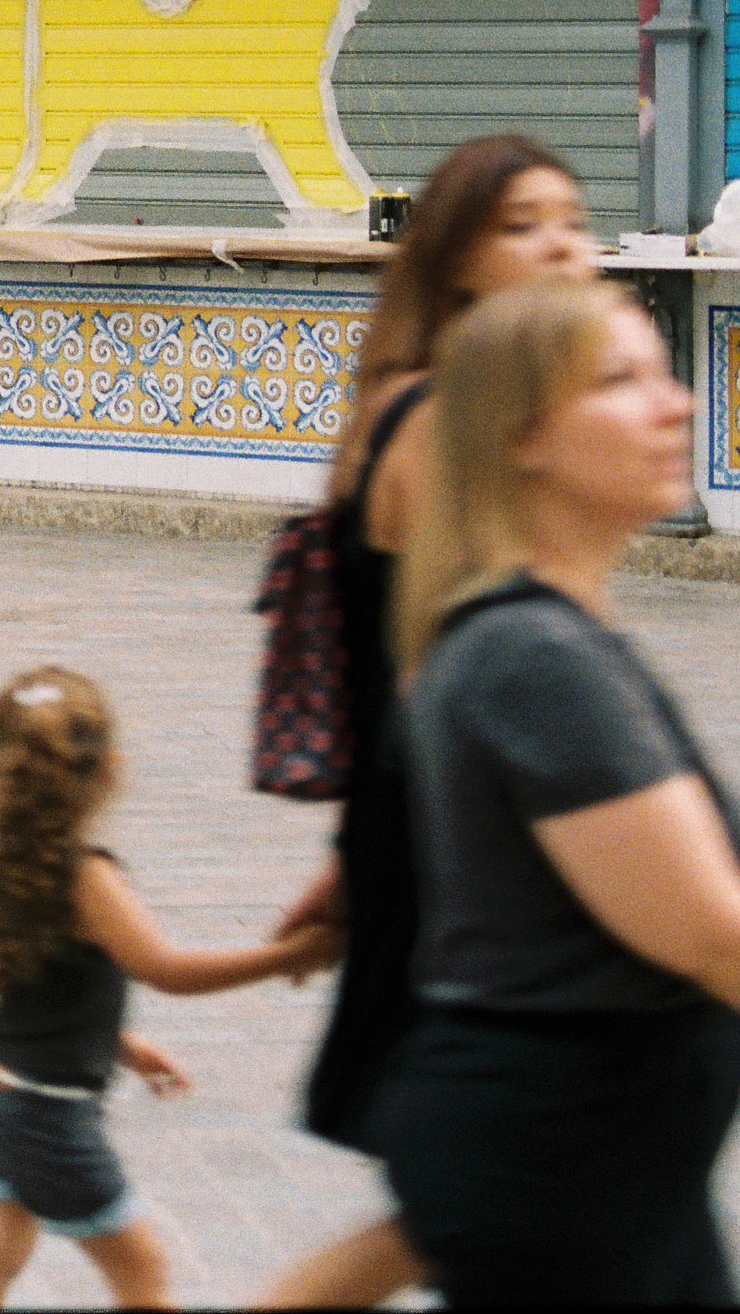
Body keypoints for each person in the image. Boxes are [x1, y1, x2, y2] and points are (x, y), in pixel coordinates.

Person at [255, 136, 596, 1309]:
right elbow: (452, 676)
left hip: (416, 837)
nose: (562, 246)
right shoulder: (444, 420)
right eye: (521, 226)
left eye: (570, 218)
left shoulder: (407, 401)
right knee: (486, 1192)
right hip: (459, 858)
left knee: (475, 1200)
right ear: (454, 263)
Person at [371, 277, 740, 1304]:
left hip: (607, 1182)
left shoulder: (542, 636)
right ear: (521, 435)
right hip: (566, 1192)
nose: (676, 405)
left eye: (664, 377)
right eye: (622, 381)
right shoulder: (532, 657)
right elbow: (713, 936)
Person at [0, 666, 339, 1311]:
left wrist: (120, 1043)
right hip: (45, 1112)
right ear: (109, 769)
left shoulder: (10, 856)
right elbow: (166, 969)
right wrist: (286, 955)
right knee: (143, 1271)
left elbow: (43, 989)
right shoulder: (86, 875)